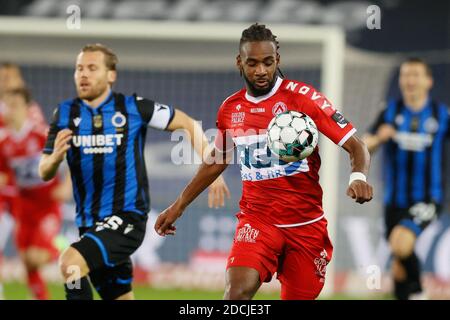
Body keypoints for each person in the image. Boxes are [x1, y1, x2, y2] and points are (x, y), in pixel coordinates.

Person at [155, 23, 373, 300]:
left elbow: (357, 145)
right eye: (253, 63)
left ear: (277, 60)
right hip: (257, 221)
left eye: (268, 63)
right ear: (239, 63)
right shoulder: (230, 109)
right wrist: (179, 205)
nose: (261, 71)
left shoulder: (304, 100)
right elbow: (217, 160)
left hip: (305, 226)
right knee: (235, 294)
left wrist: (358, 177)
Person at [38, 43, 229, 300]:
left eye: (92, 68)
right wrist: (55, 159)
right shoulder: (63, 114)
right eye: (79, 68)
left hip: (127, 218)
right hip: (90, 225)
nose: (83, 74)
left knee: (70, 263)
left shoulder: (132, 108)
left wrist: (212, 168)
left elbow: (187, 123)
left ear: (111, 75)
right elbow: (44, 171)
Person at [363, 57, 450, 300]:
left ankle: (420, 292)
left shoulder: (441, 115)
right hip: (394, 201)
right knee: (399, 268)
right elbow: (364, 144)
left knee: (401, 244)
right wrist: (379, 138)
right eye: (405, 75)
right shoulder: (389, 111)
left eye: (415, 75)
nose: (409, 80)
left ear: (428, 81)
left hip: (428, 197)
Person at [0, 87, 71, 299]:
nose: (10, 111)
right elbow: (4, 175)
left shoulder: (41, 135)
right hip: (23, 207)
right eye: (7, 106)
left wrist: (67, 185)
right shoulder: (4, 143)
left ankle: (65, 249)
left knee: (36, 257)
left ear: (27, 108)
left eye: (15, 105)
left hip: (47, 204)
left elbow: (74, 157)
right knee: (28, 264)